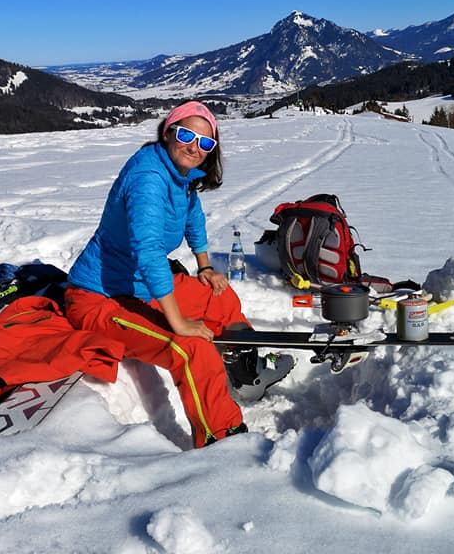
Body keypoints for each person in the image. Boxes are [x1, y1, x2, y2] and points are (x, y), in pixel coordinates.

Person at [65, 101, 292, 447]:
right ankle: (223, 441)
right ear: (168, 132)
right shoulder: (148, 178)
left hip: (139, 288)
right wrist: (179, 321)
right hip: (100, 297)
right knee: (189, 348)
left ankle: (244, 373)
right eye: (186, 135)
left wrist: (204, 266)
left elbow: (193, 218)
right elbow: (148, 251)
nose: (194, 147)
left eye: (205, 142)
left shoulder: (179, 175)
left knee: (221, 298)